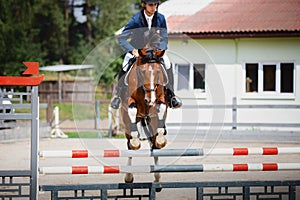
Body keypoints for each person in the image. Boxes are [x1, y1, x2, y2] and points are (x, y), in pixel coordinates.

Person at [110, 0, 182, 109]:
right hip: (138, 51)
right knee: (125, 65)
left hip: (155, 51)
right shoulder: (135, 19)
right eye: (151, 5)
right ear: (144, 5)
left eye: (155, 4)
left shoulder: (160, 18)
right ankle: (118, 96)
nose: (154, 7)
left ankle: (172, 96)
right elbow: (122, 39)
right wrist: (132, 50)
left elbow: (164, 38)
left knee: (167, 64)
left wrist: (160, 49)